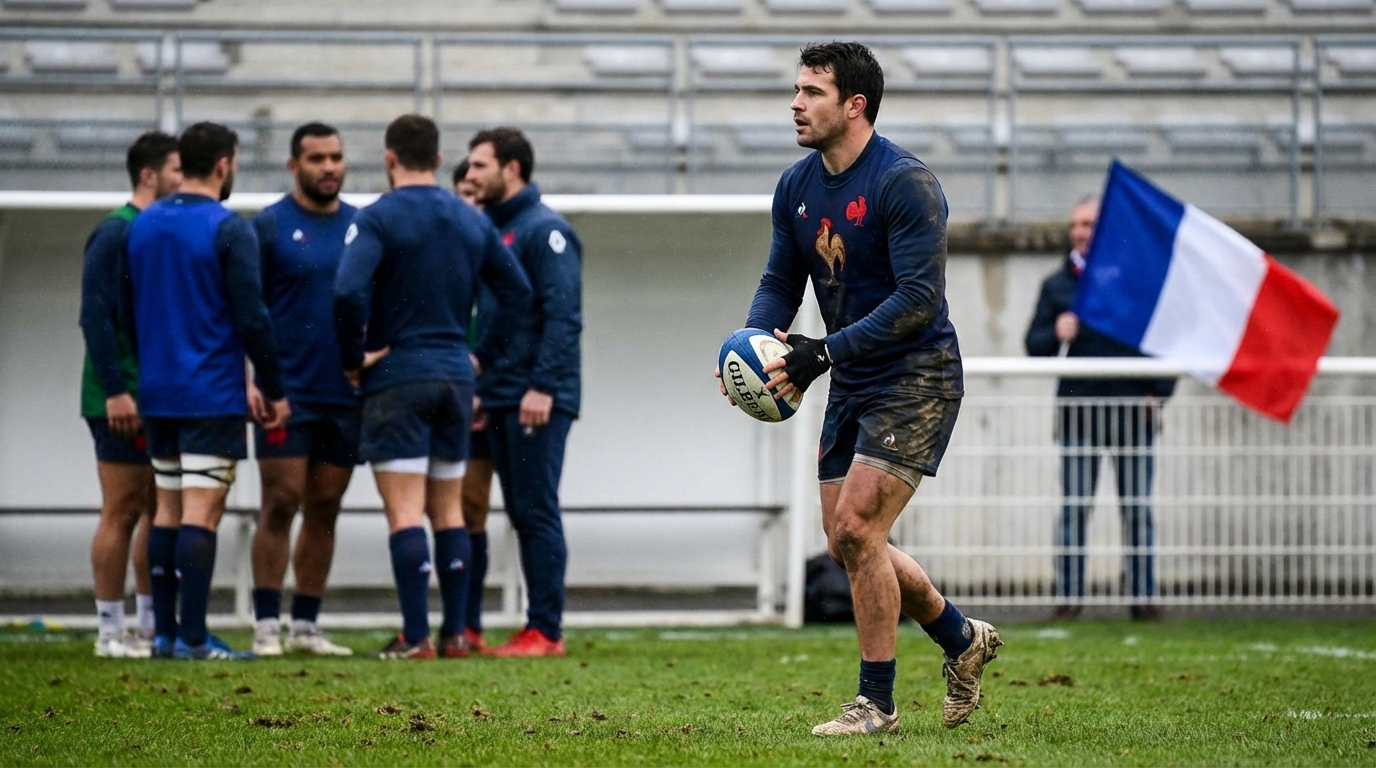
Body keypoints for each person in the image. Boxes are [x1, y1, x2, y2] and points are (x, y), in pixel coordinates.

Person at [720, 42, 1001, 735]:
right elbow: (781, 281)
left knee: (856, 527)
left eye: (811, 91)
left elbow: (916, 298)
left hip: (918, 375)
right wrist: (752, 351)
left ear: (855, 106)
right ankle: (963, 640)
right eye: (795, 90)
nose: (795, 103)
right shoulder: (796, 185)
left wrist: (825, 352)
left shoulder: (906, 183)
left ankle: (876, 705)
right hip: (852, 375)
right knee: (851, 542)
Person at [334, 114, 533, 660]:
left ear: (389, 158)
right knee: (449, 512)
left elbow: (348, 293)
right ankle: (453, 634)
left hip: (397, 377)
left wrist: (354, 359)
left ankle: (415, 635)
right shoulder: (470, 220)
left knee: (404, 514)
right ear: (441, 160)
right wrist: (479, 358)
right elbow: (517, 293)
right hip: (454, 378)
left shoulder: (377, 217)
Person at [125, 121, 291, 660]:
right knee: (203, 510)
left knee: (167, 510)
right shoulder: (227, 226)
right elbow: (253, 317)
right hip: (210, 392)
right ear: (224, 164)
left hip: (158, 393)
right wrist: (271, 385)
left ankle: (166, 634)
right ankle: (195, 638)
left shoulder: (144, 225)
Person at [1024, 196, 1176, 621]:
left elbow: (1163, 342)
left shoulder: (1135, 283)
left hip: (1133, 414)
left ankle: (1143, 598)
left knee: (1138, 511)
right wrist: (1055, 331)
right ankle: (1068, 598)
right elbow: (1034, 347)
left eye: (1089, 224)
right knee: (1074, 509)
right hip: (1079, 413)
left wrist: (1157, 392)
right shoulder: (1057, 285)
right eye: (1076, 224)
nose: (1080, 232)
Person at [465, 127, 582, 658]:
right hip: (499, 394)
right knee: (511, 509)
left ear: (511, 169)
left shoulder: (544, 230)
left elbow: (562, 317)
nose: (470, 176)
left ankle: (546, 630)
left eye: (479, 166)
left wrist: (542, 387)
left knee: (535, 510)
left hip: (534, 397)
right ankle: (486, 625)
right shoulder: (496, 229)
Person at [247, 123, 359, 657]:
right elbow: (245, 311)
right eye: (317, 158)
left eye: (336, 157)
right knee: (280, 500)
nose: (329, 167)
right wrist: (254, 378)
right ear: (294, 165)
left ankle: (306, 626)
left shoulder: (363, 227)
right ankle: (266, 623)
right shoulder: (268, 226)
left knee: (326, 505)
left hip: (345, 393)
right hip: (285, 392)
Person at [80, 131, 182, 658]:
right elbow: (94, 318)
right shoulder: (114, 233)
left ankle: (147, 623)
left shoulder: (152, 232)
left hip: (156, 395)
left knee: (154, 507)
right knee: (120, 510)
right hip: (118, 400)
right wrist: (117, 391)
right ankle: (108, 629)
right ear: (149, 175)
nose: (183, 181)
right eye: (175, 171)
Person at [452, 158, 495, 652]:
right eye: (464, 193)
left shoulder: (499, 253)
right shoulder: (437, 252)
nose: (472, 203)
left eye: (479, 196)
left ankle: (469, 622)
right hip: (435, 392)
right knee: (428, 508)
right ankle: (425, 621)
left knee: (469, 509)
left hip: (484, 399)